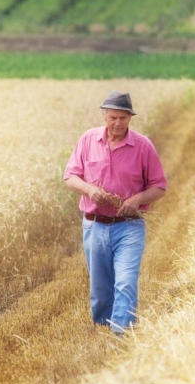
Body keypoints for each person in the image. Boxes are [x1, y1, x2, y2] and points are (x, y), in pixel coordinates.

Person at [64, 91, 167, 334]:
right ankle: (102, 328)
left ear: (130, 118)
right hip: (94, 225)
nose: (117, 123)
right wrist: (89, 190)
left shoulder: (143, 146)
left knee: (125, 282)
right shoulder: (88, 140)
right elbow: (70, 176)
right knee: (100, 288)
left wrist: (137, 199)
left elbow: (159, 186)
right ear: (104, 115)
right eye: (113, 117)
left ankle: (122, 332)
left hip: (129, 226)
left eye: (123, 118)